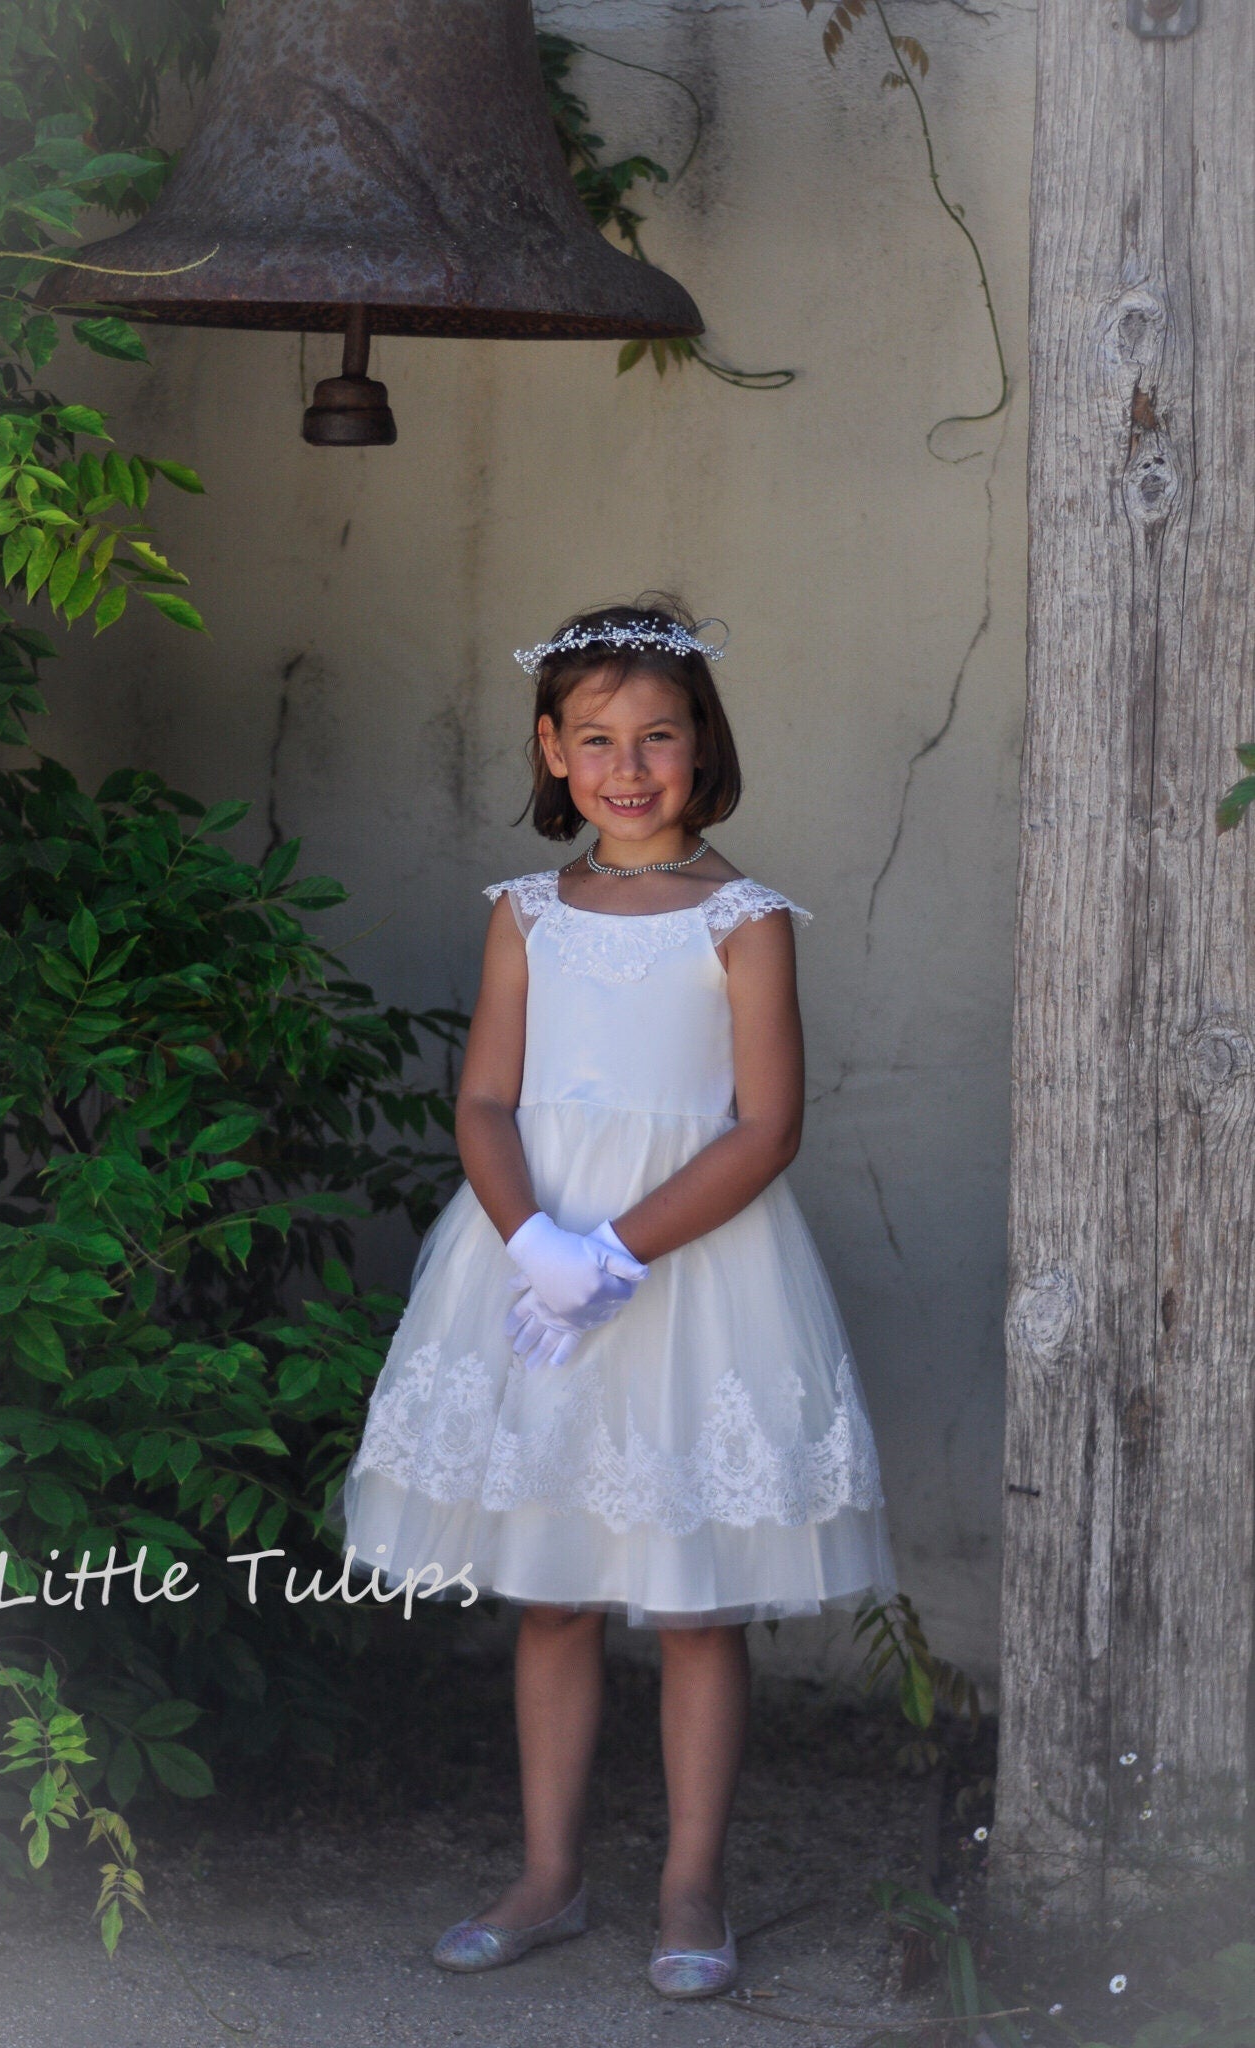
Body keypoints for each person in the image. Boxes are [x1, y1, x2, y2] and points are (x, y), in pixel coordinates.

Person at [336, 596, 898, 1999]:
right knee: (553, 1590)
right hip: (529, 1271)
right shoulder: (529, 913)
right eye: (595, 739)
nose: (628, 766)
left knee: (695, 1601)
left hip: (689, 1271)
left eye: (657, 736)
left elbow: (765, 1127)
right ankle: (547, 1871)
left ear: (702, 747)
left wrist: (615, 1254)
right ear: (551, 749)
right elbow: (480, 1095)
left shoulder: (744, 918)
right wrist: (535, 1243)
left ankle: (689, 1879)